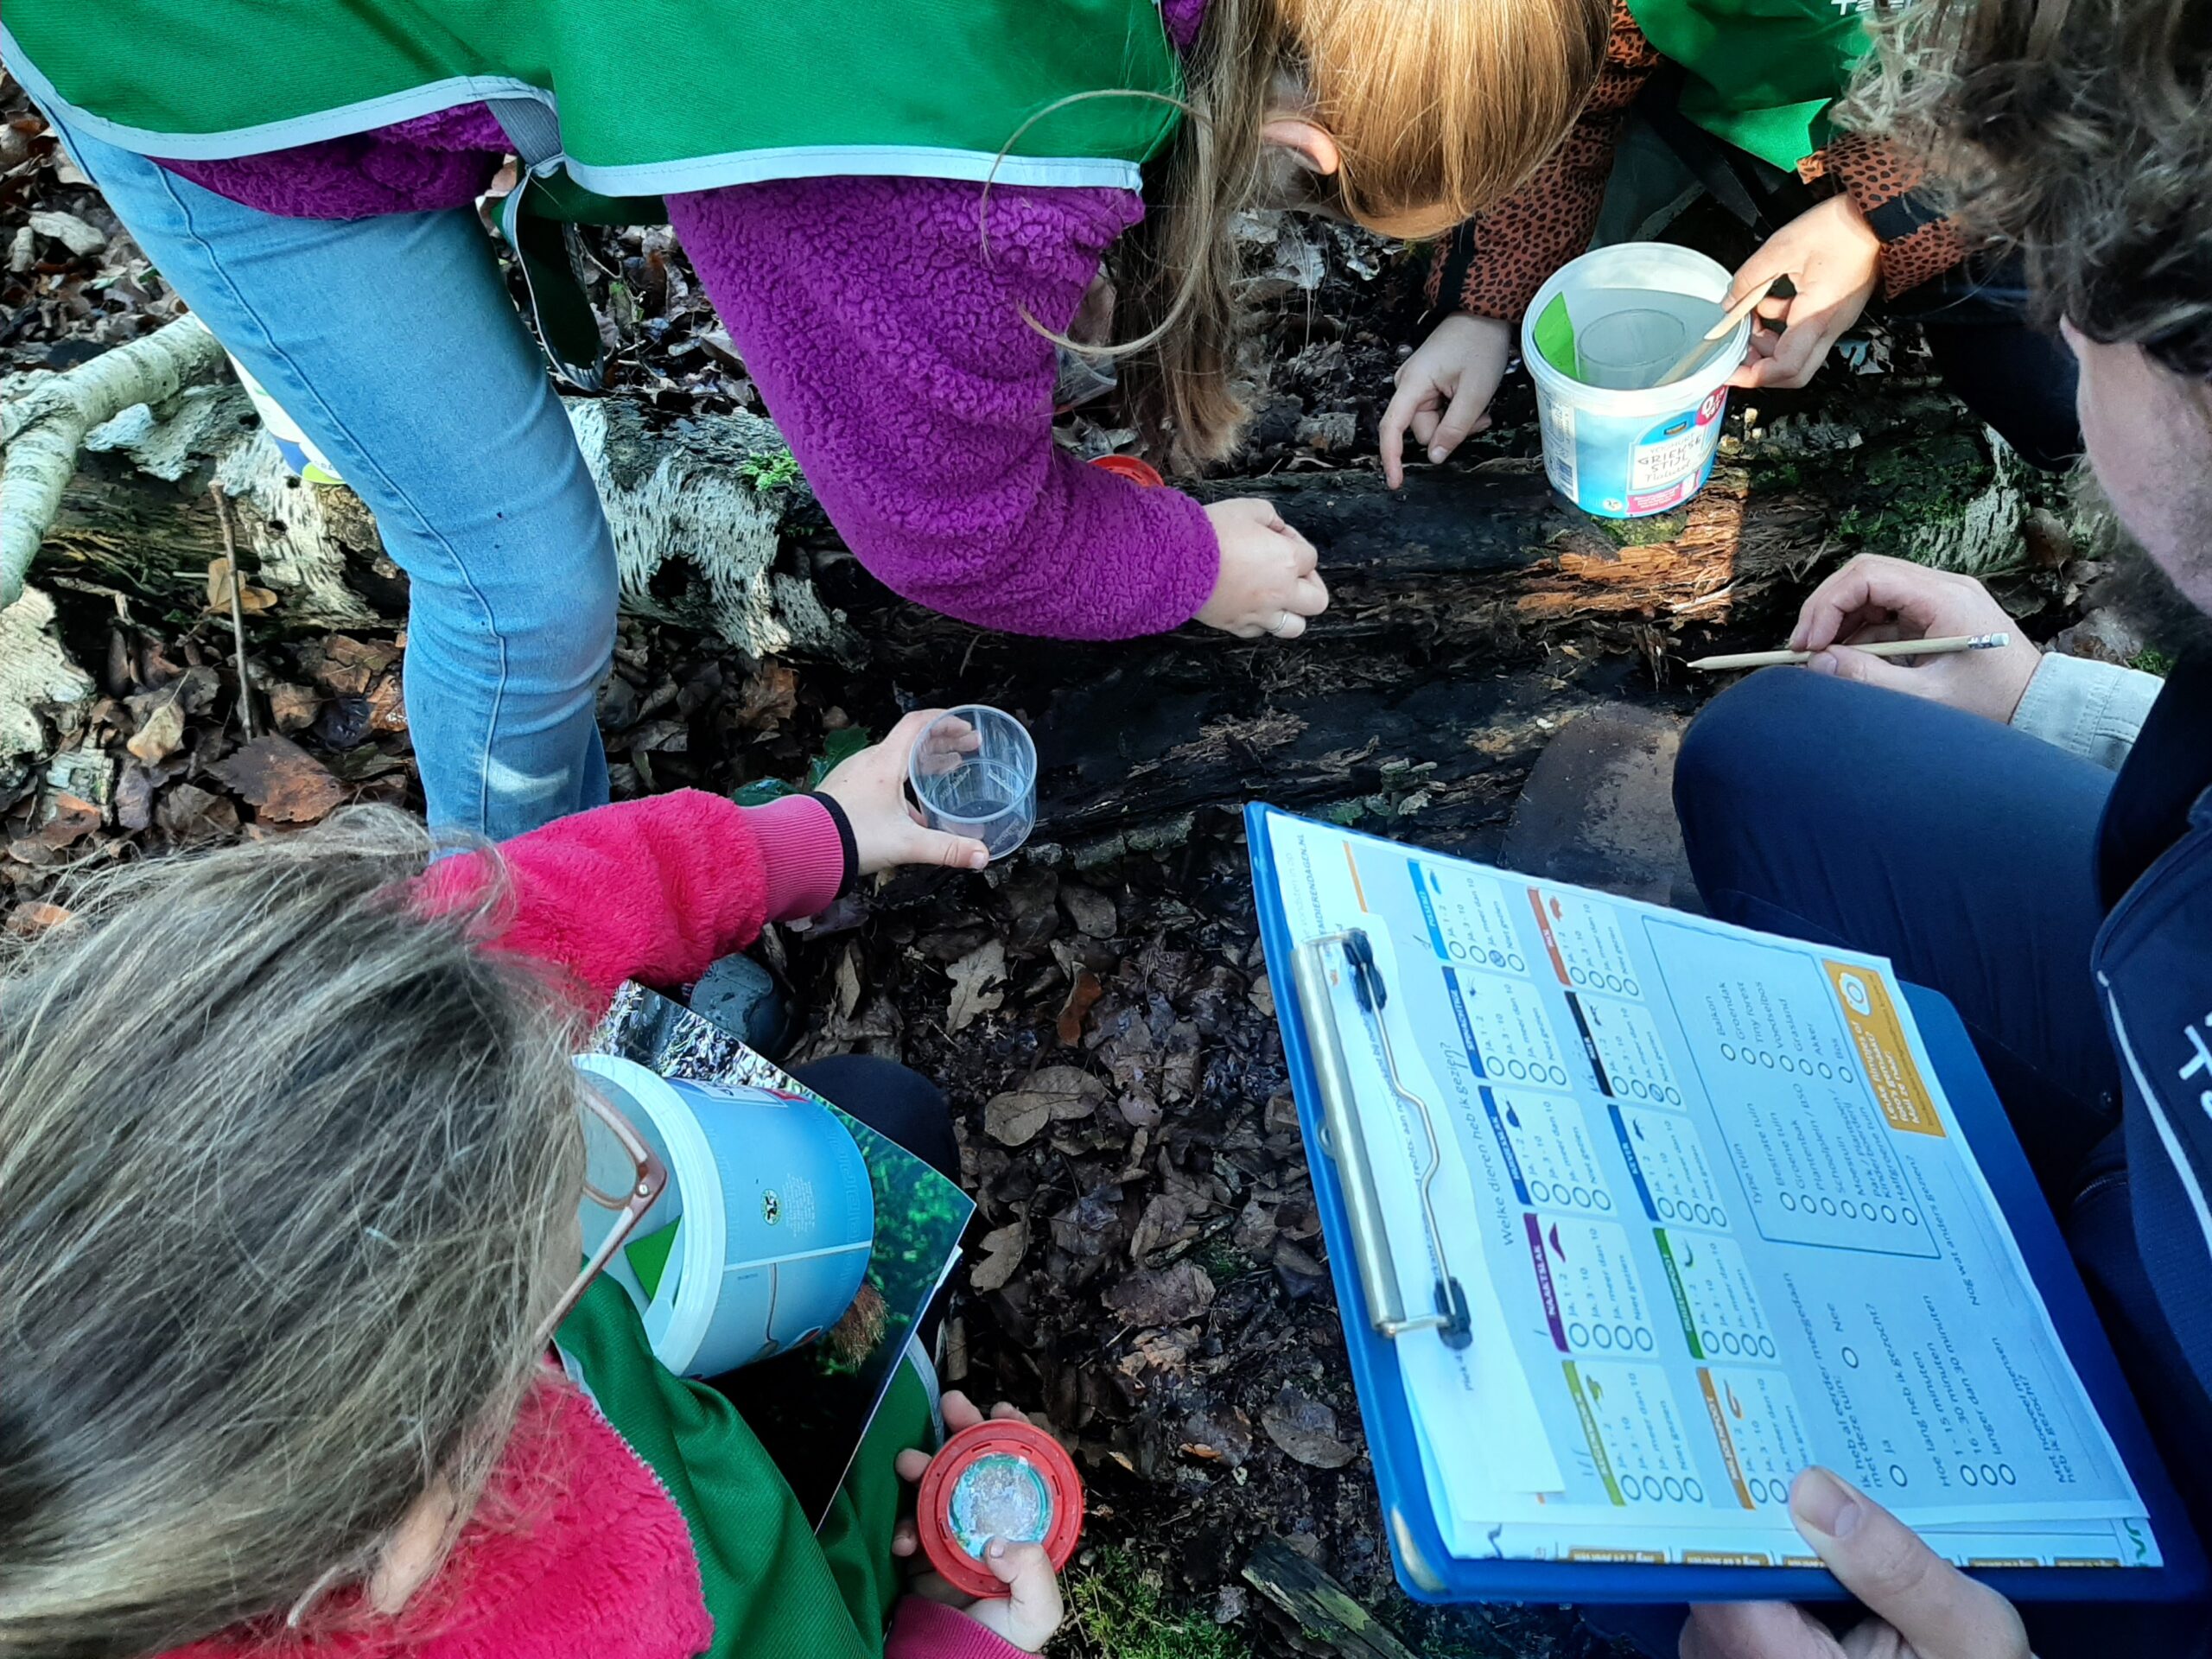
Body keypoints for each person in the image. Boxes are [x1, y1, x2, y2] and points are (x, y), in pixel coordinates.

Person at [0, 0, 1609, 839]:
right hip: (210, 50)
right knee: (519, 582)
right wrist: (1186, 564)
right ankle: (540, 979)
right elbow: (949, 530)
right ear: (1312, 145)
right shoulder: (960, 144)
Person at [0, 711, 1068, 1659]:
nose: (590, 1194)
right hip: (782, 1598)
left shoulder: (233, 1109)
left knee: (881, 1113)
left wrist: (809, 836)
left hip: (679, 1435)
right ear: (422, 1494)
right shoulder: (614, 1624)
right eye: (553, 1233)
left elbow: (483, 931)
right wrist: (948, 1637)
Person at [1659, 0, 2212, 1652]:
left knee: (1683, 1574)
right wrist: (2059, 701)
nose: (2039, 315)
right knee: (1774, 755)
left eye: (2061, 300)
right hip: (2160, 1011)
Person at [1378, 0, 2082, 492]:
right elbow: (1574, 92)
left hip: (1976, 140)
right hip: (1765, 118)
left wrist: (1873, 221)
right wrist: (1483, 311)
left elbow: (2096, 76)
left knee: (2055, 400)